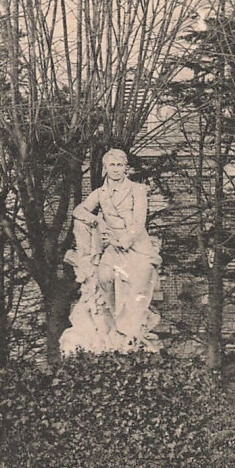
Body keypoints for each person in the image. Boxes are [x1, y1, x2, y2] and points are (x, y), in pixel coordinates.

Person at [60, 149, 162, 354]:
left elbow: (139, 220)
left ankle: (131, 331)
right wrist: (96, 220)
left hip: (136, 246)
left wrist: (124, 240)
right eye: (112, 166)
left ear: (126, 168)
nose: (116, 170)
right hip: (113, 247)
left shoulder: (137, 189)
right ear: (105, 168)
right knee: (104, 277)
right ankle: (116, 323)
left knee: (138, 285)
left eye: (120, 165)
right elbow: (79, 211)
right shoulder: (100, 193)